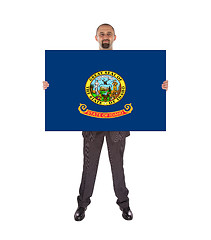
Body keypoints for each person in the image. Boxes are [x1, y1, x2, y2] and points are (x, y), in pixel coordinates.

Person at [43, 23, 168, 221]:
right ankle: (82, 205)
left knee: (117, 165)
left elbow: (141, 85)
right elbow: (69, 85)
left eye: (108, 33)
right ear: (96, 38)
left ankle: (124, 205)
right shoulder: (84, 63)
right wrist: (52, 86)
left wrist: (158, 86)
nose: (105, 36)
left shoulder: (127, 63)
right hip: (92, 123)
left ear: (115, 37)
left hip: (118, 123)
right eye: (102, 34)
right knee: (89, 165)